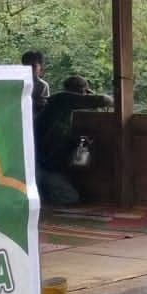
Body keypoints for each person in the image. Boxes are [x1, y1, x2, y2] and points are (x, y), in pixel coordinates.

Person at [33, 75, 112, 207]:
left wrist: (76, 140)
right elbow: (104, 100)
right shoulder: (63, 98)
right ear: (80, 91)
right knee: (69, 197)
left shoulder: (59, 109)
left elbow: (58, 136)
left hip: (45, 164)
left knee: (69, 195)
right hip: (41, 165)